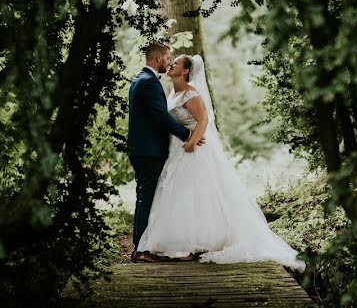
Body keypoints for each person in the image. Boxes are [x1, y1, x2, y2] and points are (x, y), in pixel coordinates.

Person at [136, 54, 305, 271]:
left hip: (191, 150)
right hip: (175, 150)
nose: (171, 64)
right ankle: (182, 242)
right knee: (179, 193)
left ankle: (199, 242)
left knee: (195, 192)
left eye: (176, 63)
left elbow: (203, 119)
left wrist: (192, 141)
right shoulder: (172, 92)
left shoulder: (192, 93)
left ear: (185, 71)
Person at [127, 42, 202, 263]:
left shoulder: (142, 79)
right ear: (159, 57)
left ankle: (143, 245)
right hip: (149, 150)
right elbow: (160, 116)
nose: (169, 62)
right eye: (168, 57)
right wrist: (188, 135)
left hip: (144, 149)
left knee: (147, 196)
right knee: (147, 197)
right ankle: (141, 249)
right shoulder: (149, 82)